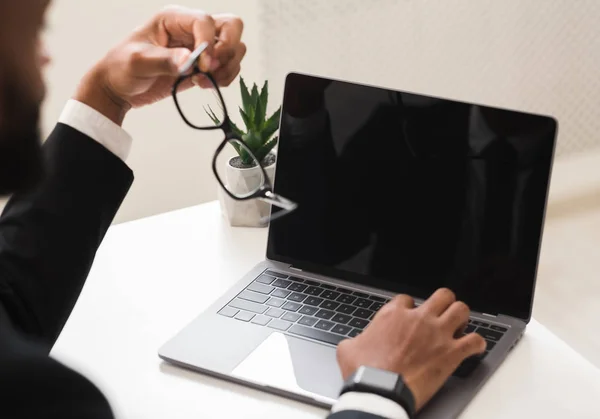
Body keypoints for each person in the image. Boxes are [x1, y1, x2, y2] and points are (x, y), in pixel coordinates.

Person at [0, 2, 487, 419]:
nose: (42, 57)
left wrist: (106, 93)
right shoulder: (48, 399)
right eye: (32, 28)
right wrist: (378, 392)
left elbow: (11, 304)